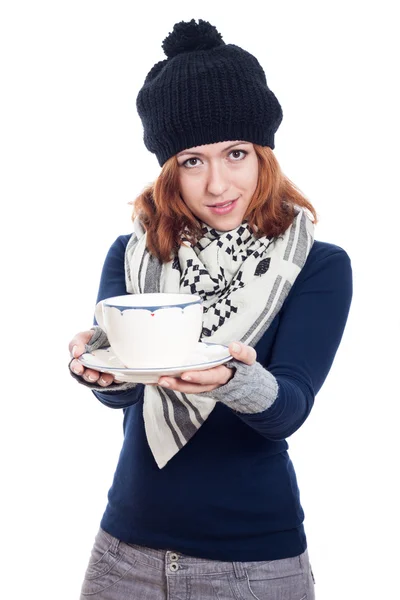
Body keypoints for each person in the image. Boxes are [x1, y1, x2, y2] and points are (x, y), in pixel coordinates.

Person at [69, 19, 352, 600]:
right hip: (124, 552)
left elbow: (290, 408)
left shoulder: (317, 266)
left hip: (251, 564)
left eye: (236, 153)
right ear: (169, 168)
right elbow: (126, 391)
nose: (218, 182)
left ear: (263, 153)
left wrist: (232, 380)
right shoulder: (132, 256)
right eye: (192, 161)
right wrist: (97, 370)